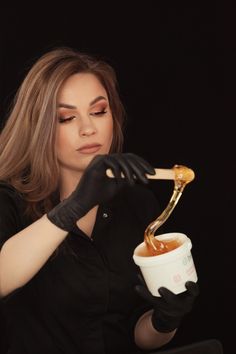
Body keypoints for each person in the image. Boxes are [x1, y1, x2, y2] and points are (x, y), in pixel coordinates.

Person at [0, 46, 199, 354]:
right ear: (38, 128)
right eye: (66, 118)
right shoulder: (10, 200)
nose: (88, 128)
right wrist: (75, 205)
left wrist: (164, 320)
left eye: (98, 111)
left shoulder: (136, 203)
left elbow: (137, 334)